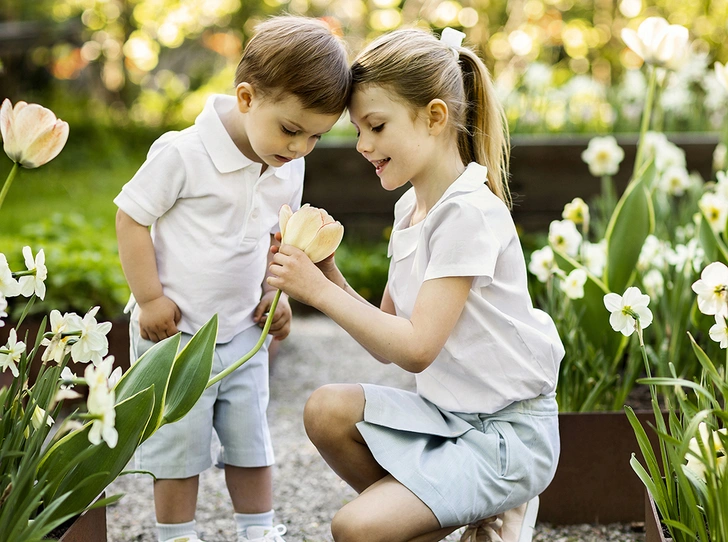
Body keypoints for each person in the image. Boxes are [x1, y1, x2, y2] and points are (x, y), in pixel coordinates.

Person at [266, 27, 564, 542]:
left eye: (376, 126)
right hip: (447, 419)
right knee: (326, 410)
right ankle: (455, 518)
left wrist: (318, 293)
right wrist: (326, 272)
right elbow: (389, 336)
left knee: (354, 528)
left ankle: (480, 506)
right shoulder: (411, 209)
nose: (362, 145)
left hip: (506, 437)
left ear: (434, 117)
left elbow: (417, 350)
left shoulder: (468, 212)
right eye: (358, 130)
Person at [114, 16, 351, 542]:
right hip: (174, 335)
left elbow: (277, 236)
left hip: (244, 331)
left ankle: (259, 530)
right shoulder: (183, 153)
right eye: (291, 130)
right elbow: (131, 217)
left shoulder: (287, 164)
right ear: (246, 98)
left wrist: (273, 293)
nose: (299, 148)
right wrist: (148, 297)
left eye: (316, 136)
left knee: (251, 440)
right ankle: (176, 535)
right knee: (177, 446)